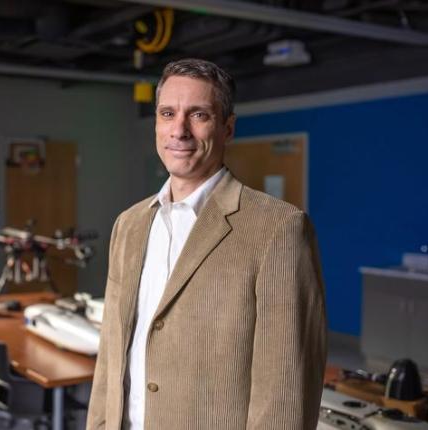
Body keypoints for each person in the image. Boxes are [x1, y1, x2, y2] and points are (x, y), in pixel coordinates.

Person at [86, 58, 326, 430]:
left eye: (198, 115)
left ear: (227, 128)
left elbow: (286, 389)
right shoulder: (129, 225)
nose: (179, 130)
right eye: (168, 113)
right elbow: (111, 354)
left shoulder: (279, 229)